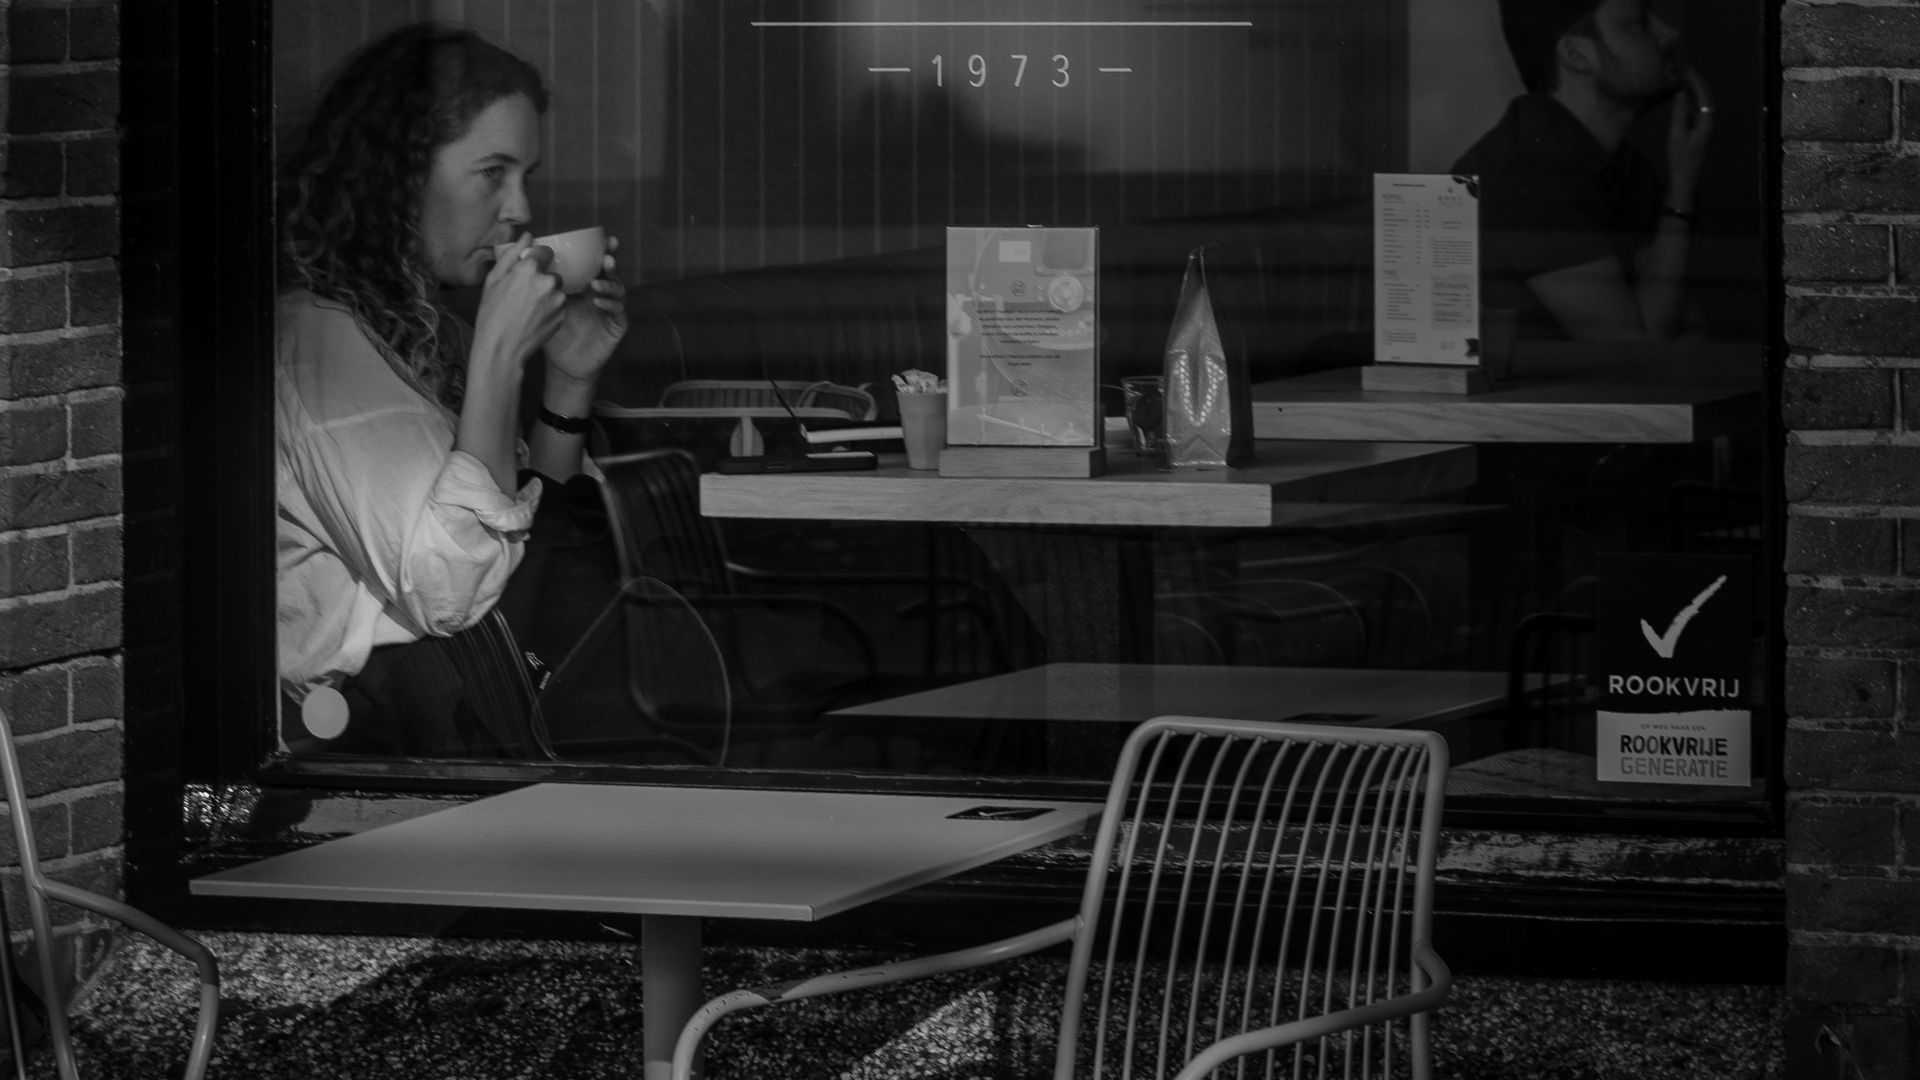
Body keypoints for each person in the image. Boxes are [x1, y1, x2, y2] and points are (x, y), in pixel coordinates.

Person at [276, 23, 629, 754]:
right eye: (492, 172)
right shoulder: (321, 340)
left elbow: (525, 552)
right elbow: (448, 594)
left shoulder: (421, 326)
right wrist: (502, 353)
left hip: (471, 716)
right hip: (361, 752)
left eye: (526, 175)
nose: (521, 210)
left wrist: (567, 376)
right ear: (401, 173)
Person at [1452, 0, 1714, 342]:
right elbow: (1636, 350)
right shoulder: (1527, 175)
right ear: (1576, 55)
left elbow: (1681, 323)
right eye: (1637, 24)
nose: (1668, 33)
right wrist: (1682, 185)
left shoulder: (1622, 165)